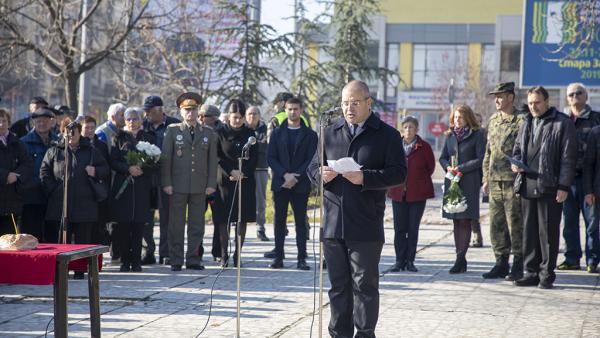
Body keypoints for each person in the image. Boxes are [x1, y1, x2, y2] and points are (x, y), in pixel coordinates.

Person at [307, 80, 406, 338]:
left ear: (368, 103)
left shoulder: (387, 135)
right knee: (338, 287)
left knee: (365, 286)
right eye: (344, 103)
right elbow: (312, 168)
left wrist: (366, 178)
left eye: (354, 103)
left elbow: (398, 174)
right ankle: (339, 334)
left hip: (365, 223)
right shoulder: (329, 132)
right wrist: (321, 174)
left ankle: (364, 334)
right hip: (333, 223)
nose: (349, 108)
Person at [512, 86, 576, 289]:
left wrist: (564, 186)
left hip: (550, 185)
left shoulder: (561, 123)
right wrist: (515, 162)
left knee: (547, 233)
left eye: (537, 102)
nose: (533, 107)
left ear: (547, 101)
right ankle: (530, 271)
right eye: (530, 103)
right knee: (529, 232)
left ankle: (546, 273)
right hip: (527, 185)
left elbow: (568, 158)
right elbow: (517, 148)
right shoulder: (526, 122)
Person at [40, 120, 109, 278]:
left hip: (84, 204)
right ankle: (59, 271)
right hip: (60, 204)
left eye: (74, 132)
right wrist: (53, 190)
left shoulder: (91, 151)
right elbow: (44, 172)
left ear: (79, 133)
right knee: (60, 240)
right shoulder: (54, 151)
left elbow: (105, 170)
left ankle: (79, 270)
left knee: (82, 240)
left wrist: (95, 171)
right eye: (67, 132)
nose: (70, 136)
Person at [161, 92, 218, 271]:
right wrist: (167, 182)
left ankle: (193, 258)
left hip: (200, 186)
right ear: (180, 111)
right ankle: (176, 259)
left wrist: (211, 184)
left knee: (197, 225)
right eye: (187, 110)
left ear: (198, 111)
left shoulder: (208, 133)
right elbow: (166, 159)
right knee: (176, 224)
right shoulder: (172, 131)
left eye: (193, 110)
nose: (190, 113)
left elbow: (212, 161)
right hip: (177, 185)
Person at [481, 82, 525, 281]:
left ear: (510, 98)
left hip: (512, 182)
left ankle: (518, 264)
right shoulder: (493, 120)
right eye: (495, 96)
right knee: (496, 225)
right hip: (495, 181)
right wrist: (485, 178)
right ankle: (500, 262)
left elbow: (525, 151)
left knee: (514, 225)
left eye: (500, 96)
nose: (496, 100)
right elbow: (488, 152)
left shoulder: (521, 120)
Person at [267, 97, 317, 270]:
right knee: (279, 221)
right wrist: (284, 175)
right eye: (289, 109)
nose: (293, 112)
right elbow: (271, 157)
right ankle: (278, 257)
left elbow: (311, 159)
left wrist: (295, 177)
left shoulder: (310, 135)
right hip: (281, 184)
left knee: (300, 222)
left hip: (300, 184)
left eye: (296, 109)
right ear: (285, 110)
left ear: (301, 110)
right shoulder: (277, 133)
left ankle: (301, 258)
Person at [558, 83, 600, 273]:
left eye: (579, 93)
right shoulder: (562, 120)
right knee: (569, 222)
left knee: (592, 224)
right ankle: (572, 258)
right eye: (571, 94)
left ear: (586, 96)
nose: (575, 96)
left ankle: (593, 260)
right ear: (567, 98)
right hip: (568, 180)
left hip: (589, 179)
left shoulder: (596, 119)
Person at [109, 108, 157, 272]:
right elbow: (113, 161)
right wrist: (128, 168)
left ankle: (136, 261)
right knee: (123, 226)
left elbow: (156, 160)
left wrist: (144, 168)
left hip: (142, 186)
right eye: (128, 119)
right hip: (124, 187)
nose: (131, 122)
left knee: (138, 226)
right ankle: (124, 260)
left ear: (141, 121)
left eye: (135, 119)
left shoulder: (149, 138)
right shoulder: (118, 137)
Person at [439, 104, 486, 274]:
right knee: (456, 220)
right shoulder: (450, 136)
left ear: (468, 118)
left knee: (465, 220)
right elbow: (443, 158)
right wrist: (448, 168)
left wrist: (461, 168)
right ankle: (459, 257)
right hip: (453, 182)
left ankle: (460, 259)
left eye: (460, 117)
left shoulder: (477, 135)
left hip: (469, 182)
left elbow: (481, 158)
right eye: (455, 117)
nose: (457, 120)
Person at [213, 99, 258, 267]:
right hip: (224, 180)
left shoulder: (250, 134)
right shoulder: (220, 132)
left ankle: (238, 254)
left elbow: (254, 157)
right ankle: (224, 254)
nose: (237, 120)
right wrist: (231, 171)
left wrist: (242, 173)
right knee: (223, 219)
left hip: (244, 181)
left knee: (241, 219)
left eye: (240, 117)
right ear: (229, 116)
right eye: (234, 117)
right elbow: (217, 156)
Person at [387, 115, 435, 272]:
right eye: (405, 127)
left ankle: (410, 261)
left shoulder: (424, 147)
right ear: (402, 129)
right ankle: (399, 260)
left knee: (413, 228)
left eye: (411, 127)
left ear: (417, 130)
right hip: (398, 193)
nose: (408, 130)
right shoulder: (395, 146)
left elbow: (430, 167)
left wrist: (417, 180)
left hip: (417, 194)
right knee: (399, 229)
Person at [141, 95, 180, 265]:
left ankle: (166, 252)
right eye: (146, 111)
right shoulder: (143, 126)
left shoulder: (174, 125)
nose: (146, 114)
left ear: (159, 110)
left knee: (167, 218)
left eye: (149, 111)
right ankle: (147, 251)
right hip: (147, 178)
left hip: (168, 178)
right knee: (146, 218)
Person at [20, 108, 59, 241]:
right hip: (31, 196)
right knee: (31, 235)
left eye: (45, 121)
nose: (42, 124)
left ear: (51, 122)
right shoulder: (24, 143)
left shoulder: (58, 142)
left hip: (52, 196)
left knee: (52, 235)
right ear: (33, 123)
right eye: (38, 121)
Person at [0, 108, 33, 236]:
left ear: (9, 123)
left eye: (4, 121)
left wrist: (17, 175)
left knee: (10, 243)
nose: (1, 124)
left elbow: (28, 164)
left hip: (12, 202)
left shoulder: (17, 143)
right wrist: (5, 176)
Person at [199, 103, 225, 261]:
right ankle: (197, 251)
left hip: (217, 181)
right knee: (197, 218)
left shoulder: (222, 132)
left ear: (214, 118)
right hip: (200, 181)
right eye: (200, 115)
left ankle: (218, 251)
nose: (201, 118)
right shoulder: (199, 131)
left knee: (218, 219)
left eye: (204, 116)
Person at [81, 116, 111, 245]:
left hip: (97, 191)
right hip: (81, 191)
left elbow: (107, 168)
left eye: (92, 128)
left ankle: (96, 258)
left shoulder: (101, 145)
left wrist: (96, 171)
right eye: (86, 128)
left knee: (98, 226)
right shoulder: (76, 144)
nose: (90, 130)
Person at [246, 105, 270, 242]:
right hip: (245, 169)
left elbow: (266, 146)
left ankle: (260, 228)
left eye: (255, 113)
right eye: (249, 114)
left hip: (260, 168)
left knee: (260, 200)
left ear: (259, 116)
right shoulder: (243, 130)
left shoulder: (266, 130)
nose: (252, 116)